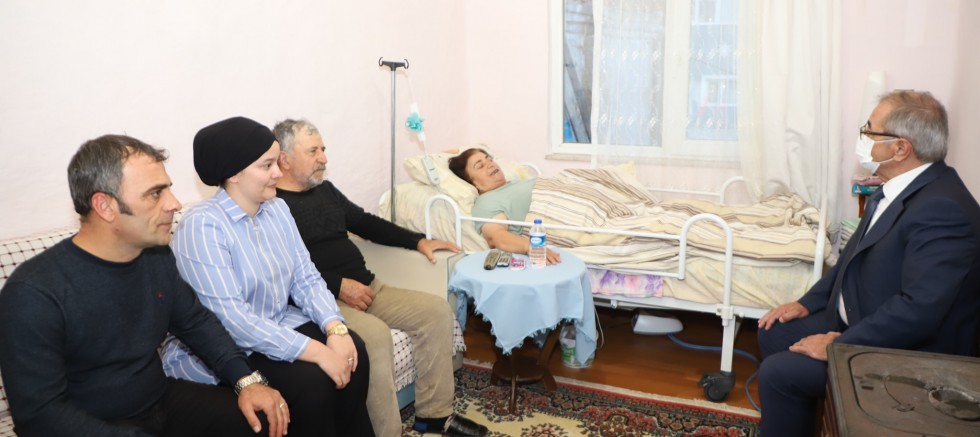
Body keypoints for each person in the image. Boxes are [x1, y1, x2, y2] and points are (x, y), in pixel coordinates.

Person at [0, 135, 289, 437]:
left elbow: (195, 322)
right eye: (155, 193)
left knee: (263, 420)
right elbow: (40, 414)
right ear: (105, 206)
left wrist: (246, 380)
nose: (174, 204)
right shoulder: (34, 293)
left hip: (158, 401)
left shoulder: (155, 255)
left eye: (168, 189)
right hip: (89, 423)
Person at [755, 90, 980, 436]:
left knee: (778, 374)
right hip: (861, 314)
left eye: (870, 130)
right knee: (774, 332)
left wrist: (837, 344)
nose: (863, 137)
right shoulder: (897, 187)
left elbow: (919, 311)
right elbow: (850, 258)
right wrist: (806, 303)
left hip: (908, 352)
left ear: (901, 148)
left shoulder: (944, 210)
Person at [272, 118, 489, 437]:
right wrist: (338, 286)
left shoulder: (325, 191)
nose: (324, 158)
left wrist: (418, 240)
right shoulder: (273, 207)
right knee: (374, 337)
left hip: (370, 287)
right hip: (324, 302)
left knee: (435, 312)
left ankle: (434, 415)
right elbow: (283, 267)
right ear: (285, 159)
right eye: (313, 151)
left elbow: (365, 223)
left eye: (323, 149)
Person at [158, 117, 374, 436]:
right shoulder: (203, 226)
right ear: (234, 173)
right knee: (313, 383)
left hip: (276, 325)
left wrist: (335, 327)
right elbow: (231, 321)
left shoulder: (278, 210)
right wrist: (318, 352)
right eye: (267, 165)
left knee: (355, 352)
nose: (278, 173)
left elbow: (306, 277)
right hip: (227, 349)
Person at [448, 148, 561, 265]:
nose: (490, 164)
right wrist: (529, 246)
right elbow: (496, 237)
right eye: (480, 166)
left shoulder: (515, 183)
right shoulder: (487, 202)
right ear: (471, 182)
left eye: (489, 159)